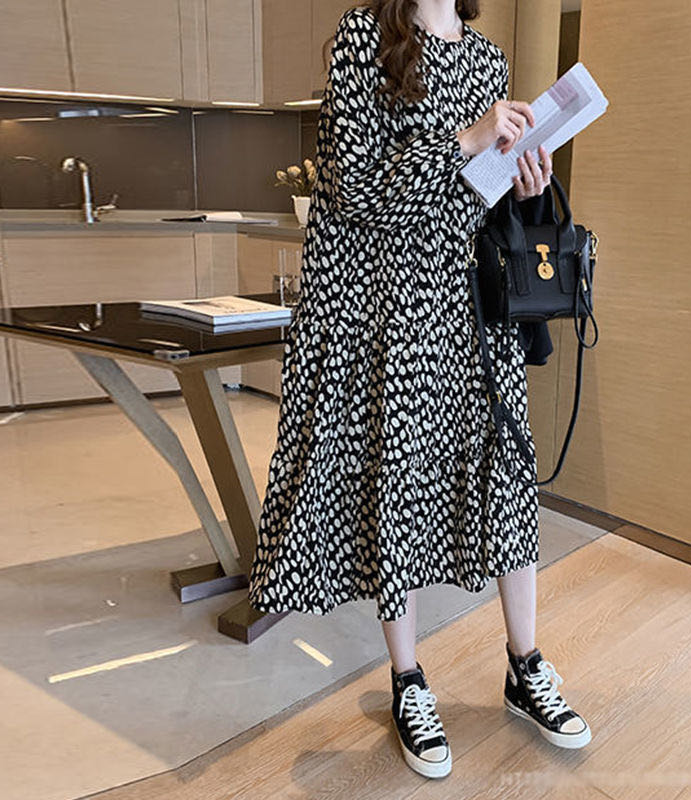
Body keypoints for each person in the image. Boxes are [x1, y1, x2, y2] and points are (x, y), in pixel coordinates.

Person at [248, 0, 591, 779]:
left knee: (503, 477)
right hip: (389, 310)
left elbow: (476, 197)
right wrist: (467, 137)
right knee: (395, 483)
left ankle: (525, 664)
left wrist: (523, 185)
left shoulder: (488, 58)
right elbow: (353, 187)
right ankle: (408, 678)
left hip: (471, 308)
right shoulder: (365, 37)